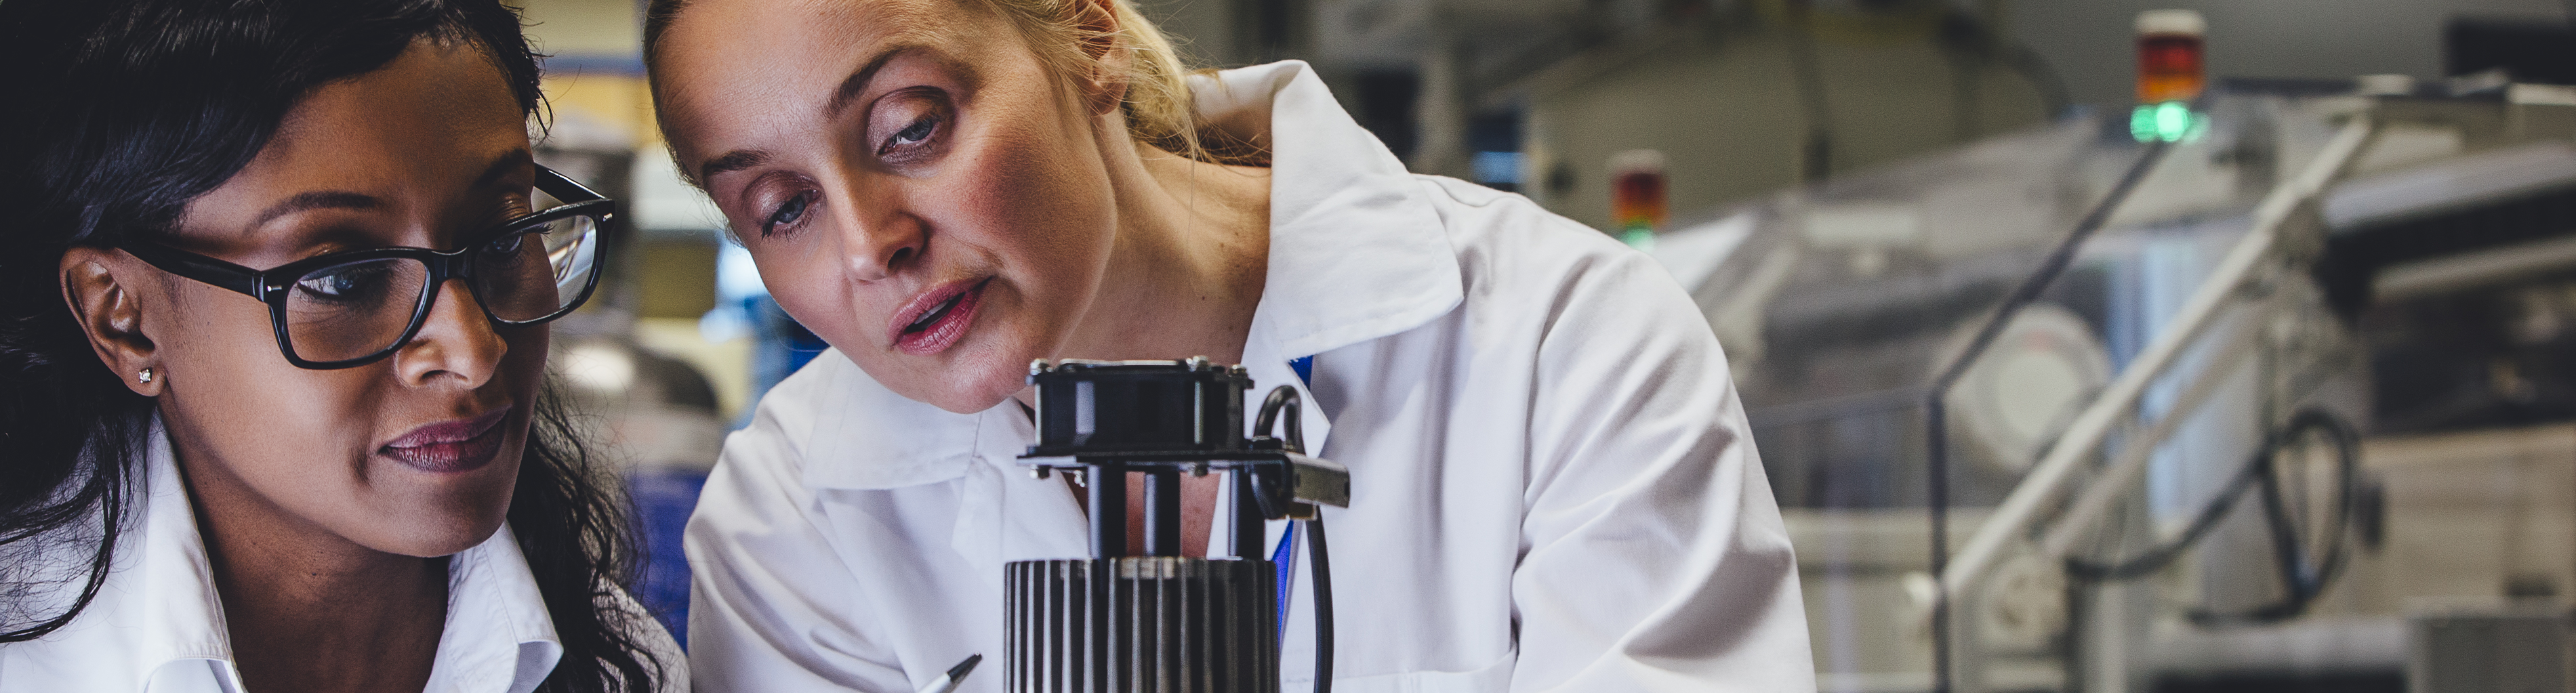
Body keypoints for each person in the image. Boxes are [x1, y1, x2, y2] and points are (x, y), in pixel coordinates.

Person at [645, 0, 1814, 690]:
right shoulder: (797, 518)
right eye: (781, 207)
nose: (869, 245)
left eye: (910, 127)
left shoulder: (1555, 340)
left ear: (1089, 37)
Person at [0, 1, 686, 692]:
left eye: (505, 238)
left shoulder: (623, 668)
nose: (473, 352)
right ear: (124, 318)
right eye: (344, 279)